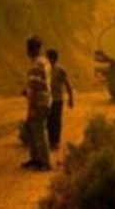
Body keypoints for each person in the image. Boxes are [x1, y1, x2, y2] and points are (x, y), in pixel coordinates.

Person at [21, 35, 52, 171]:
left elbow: (35, 87)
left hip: (38, 102)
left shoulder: (37, 64)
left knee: (39, 131)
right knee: (34, 130)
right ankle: (36, 159)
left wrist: (31, 107)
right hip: (45, 100)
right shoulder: (44, 61)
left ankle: (44, 162)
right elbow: (39, 82)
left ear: (31, 49)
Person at [45, 49, 74, 150]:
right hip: (46, 99)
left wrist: (71, 99)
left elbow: (68, 84)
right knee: (48, 121)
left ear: (53, 59)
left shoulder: (60, 70)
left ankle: (55, 141)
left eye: (47, 57)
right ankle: (49, 141)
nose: (46, 59)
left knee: (56, 121)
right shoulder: (45, 70)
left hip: (57, 100)